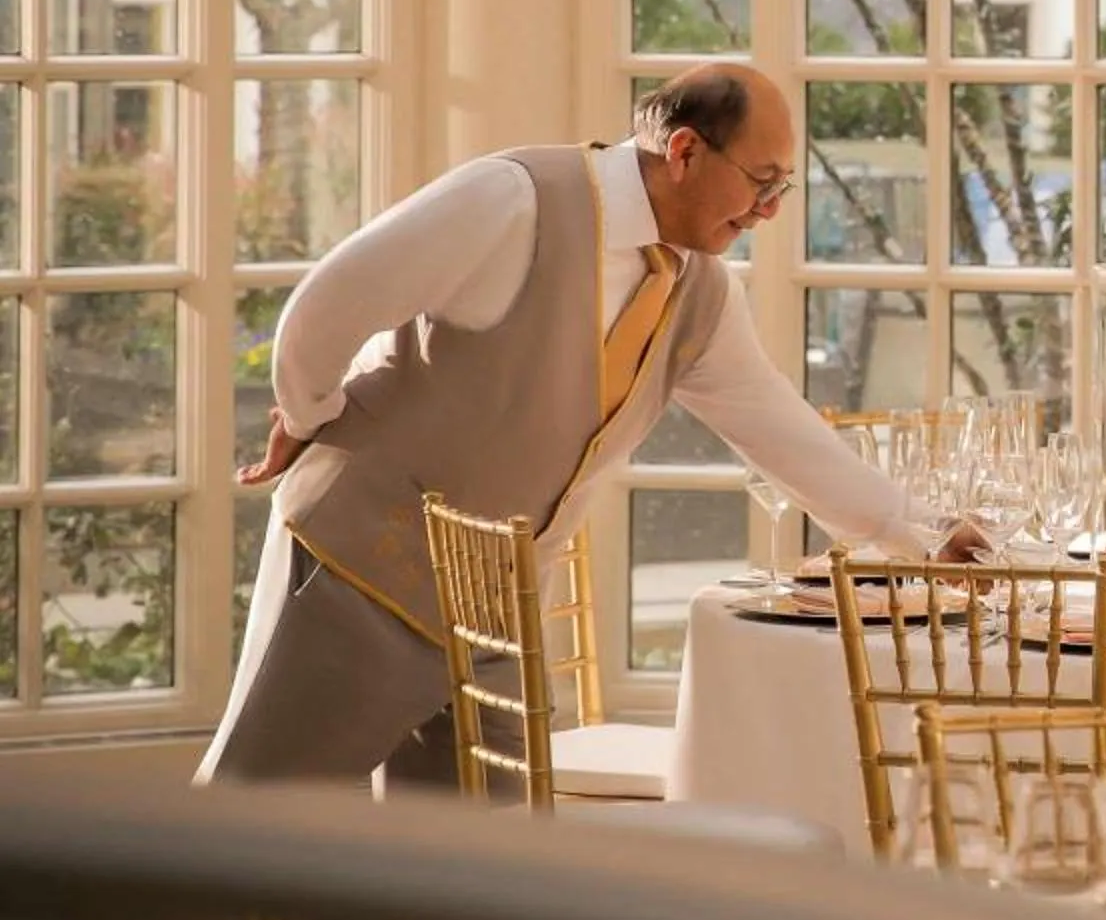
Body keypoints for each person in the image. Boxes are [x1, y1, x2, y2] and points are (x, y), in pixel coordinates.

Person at [202, 62, 942, 787]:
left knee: (485, 874)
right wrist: (310, 412)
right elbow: (330, 301)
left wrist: (920, 535)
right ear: (684, 151)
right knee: (256, 827)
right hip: (360, 570)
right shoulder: (514, 200)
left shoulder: (701, 293)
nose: (770, 210)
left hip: (493, 607)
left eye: (781, 188)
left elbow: (777, 425)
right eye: (762, 182)